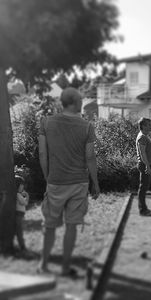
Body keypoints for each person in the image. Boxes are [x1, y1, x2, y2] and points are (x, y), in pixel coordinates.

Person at [38, 87, 100, 276]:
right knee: (71, 226)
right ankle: (65, 267)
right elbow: (90, 157)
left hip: (56, 182)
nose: (82, 103)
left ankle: (44, 265)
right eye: (80, 100)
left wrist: (48, 177)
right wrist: (95, 183)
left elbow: (42, 153)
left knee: (49, 225)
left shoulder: (46, 123)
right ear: (74, 102)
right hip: (79, 183)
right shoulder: (87, 126)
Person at [136, 117, 151, 216]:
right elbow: (142, 153)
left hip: (146, 164)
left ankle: (143, 208)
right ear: (143, 126)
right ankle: (143, 210)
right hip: (144, 165)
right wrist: (147, 166)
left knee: (144, 187)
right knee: (143, 187)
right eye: (148, 125)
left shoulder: (144, 136)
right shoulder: (142, 137)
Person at [15, 176, 29, 252]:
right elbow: (25, 203)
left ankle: (21, 245)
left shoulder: (17, 194)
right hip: (19, 214)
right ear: (18, 185)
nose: (23, 187)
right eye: (22, 185)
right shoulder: (18, 195)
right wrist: (27, 196)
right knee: (19, 229)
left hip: (19, 214)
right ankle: (22, 246)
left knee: (19, 229)